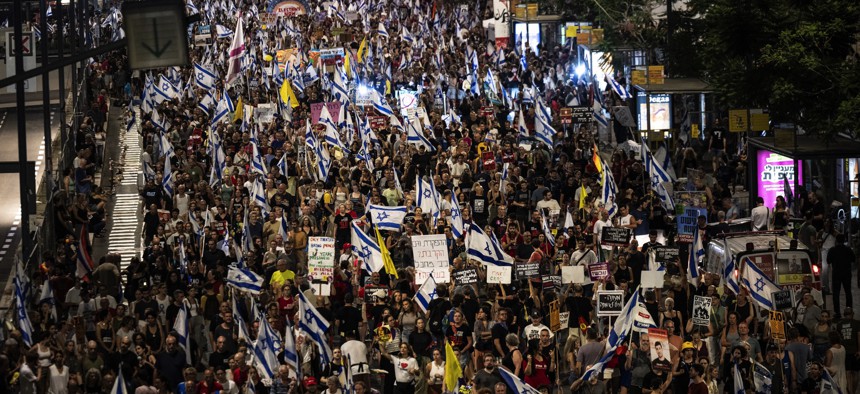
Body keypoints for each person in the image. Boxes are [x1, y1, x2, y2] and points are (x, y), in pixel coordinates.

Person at [829, 234, 856, 316]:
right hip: (846, 273)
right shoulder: (848, 249)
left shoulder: (832, 250)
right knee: (848, 292)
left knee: (836, 293)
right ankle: (849, 310)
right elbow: (853, 259)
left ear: (836, 240)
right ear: (844, 240)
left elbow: (828, 261)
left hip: (836, 273)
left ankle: (837, 312)